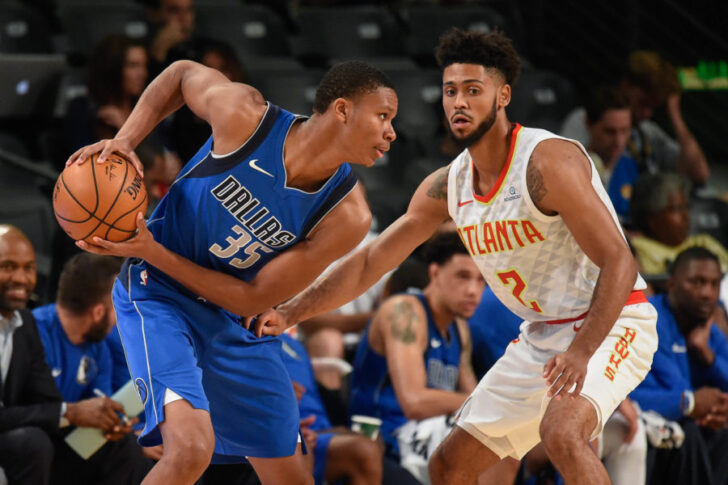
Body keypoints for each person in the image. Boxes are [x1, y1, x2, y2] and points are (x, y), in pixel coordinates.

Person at [251, 28, 658, 485]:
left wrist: (583, 352)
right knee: (448, 465)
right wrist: (291, 312)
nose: (458, 102)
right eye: (450, 91)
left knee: (562, 433)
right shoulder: (448, 185)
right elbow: (371, 262)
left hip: (614, 318)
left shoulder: (547, 162)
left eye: (472, 90)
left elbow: (621, 261)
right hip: (543, 336)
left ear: (502, 96)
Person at [66, 57, 397, 485]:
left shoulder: (346, 216)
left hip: (230, 314)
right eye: (383, 116)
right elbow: (183, 74)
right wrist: (127, 141)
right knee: (189, 451)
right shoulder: (245, 117)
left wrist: (151, 248)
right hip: (158, 293)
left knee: (293, 477)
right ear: (342, 110)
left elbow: (252, 298)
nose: (391, 133)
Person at [33, 253, 151, 485]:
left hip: (69, 446)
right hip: (34, 443)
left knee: (124, 447)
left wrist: (114, 423)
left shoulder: (97, 345)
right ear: (98, 312)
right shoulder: (33, 335)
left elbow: (101, 400)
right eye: (118, 304)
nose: (119, 317)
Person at [630, 247, 728, 485]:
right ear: (672, 283)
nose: (707, 293)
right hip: (645, 423)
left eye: (714, 284)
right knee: (689, 432)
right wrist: (694, 403)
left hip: (687, 426)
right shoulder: (651, 318)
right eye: (697, 282)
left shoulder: (704, 328)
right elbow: (680, 388)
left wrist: (706, 355)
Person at [560, 50, 710, 187]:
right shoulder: (586, 119)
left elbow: (700, 174)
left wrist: (676, 117)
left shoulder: (647, 131)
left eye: (653, 107)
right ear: (626, 86)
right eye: (643, 103)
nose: (646, 114)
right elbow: (565, 177)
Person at [0, 225, 58, 485]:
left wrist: (97, 419)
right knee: (31, 443)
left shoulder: (26, 323)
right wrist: (70, 412)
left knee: (109, 444)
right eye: (8, 266)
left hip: (8, 435)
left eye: (29, 268)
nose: (22, 279)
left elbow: (46, 397)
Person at [629, 172, 728, 278]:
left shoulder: (704, 242)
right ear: (652, 219)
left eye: (686, 207)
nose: (686, 216)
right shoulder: (638, 250)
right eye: (676, 209)